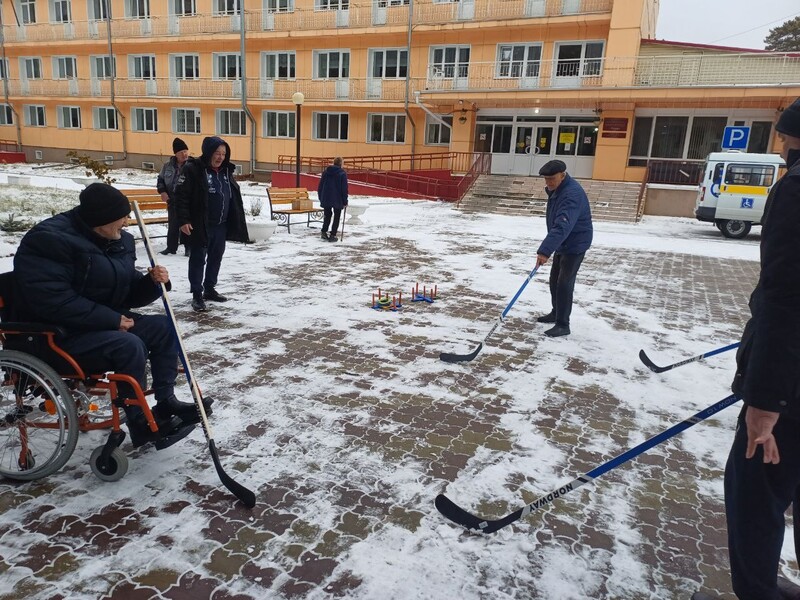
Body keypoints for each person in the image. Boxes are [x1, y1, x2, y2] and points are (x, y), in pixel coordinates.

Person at [12, 183, 213, 449]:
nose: (127, 222)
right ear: (101, 220)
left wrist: (152, 283)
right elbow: (54, 302)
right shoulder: (48, 241)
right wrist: (111, 320)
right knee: (129, 345)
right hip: (56, 334)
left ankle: (166, 403)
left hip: (98, 323)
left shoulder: (117, 239)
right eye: (121, 217)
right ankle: (139, 422)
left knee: (165, 327)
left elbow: (125, 292)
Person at [722, 97, 800, 600]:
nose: (781, 143)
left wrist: (766, 401)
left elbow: (786, 299)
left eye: (784, 134)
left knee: (755, 495)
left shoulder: (795, 190)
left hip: (790, 395)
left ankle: (756, 592)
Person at [175, 136, 249, 312]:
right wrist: (184, 220)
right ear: (208, 152)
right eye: (217, 153)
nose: (220, 157)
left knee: (216, 257)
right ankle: (197, 294)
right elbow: (180, 196)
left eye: (223, 153)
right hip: (201, 224)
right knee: (198, 259)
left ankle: (209, 288)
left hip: (221, 225)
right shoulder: (193, 169)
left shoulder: (226, 171)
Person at [534, 159, 593, 338]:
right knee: (554, 280)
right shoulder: (558, 189)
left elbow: (562, 225)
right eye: (546, 179)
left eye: (552, 179)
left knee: (564, 283)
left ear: (563, 175)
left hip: (575, 243)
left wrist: (545, 251)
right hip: (563, 242)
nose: (548, 183)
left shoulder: (571, 194)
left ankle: (563, 324)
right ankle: (556, 313)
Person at [156, 137, 190, 256]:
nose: (184, 154)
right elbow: (160, 179)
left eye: (185, 151)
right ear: (175, 154)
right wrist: (162, 192)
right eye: (181, 152)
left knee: (187, 223)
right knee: (173, 224)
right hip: (172, 199)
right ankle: (171, 247)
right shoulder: (167, 165)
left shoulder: (192, 165)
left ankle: (188, 247)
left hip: (187, 200)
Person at [317, 156, 348, 242]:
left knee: (327, 215)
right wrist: (345, 201)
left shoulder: (326, 172)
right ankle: (333, 235)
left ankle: (324, 232)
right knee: (337, 216)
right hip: (337, 198)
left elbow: (320, 186)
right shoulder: (342, 173)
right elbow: (344, 189)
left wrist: (321, 197)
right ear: (341, 164)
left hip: (326, 197)